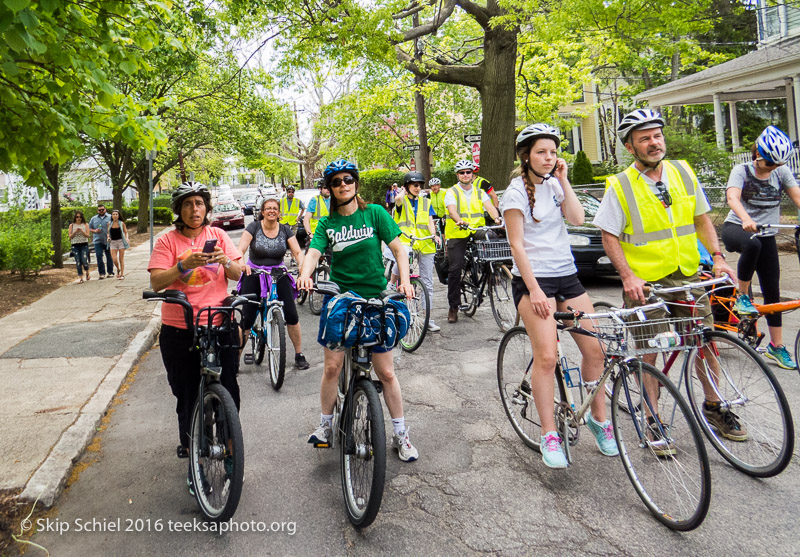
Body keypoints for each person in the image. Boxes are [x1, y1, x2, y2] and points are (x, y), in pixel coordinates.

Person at [593, 108, 743, 447]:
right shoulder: (620, 185)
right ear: (630, 147)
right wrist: (628, 276)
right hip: (645, 282)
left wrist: (718, 258)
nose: (653, 142)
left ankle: (714, 405)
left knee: (706, 341)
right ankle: (652, 417)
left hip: (687, 273)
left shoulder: (683, 172)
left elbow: (702, 219)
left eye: (657, 135)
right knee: (651, 349)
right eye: (644, 138)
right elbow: (608, 236)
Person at [501, 124, 617, 468]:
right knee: (548, 357)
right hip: (534, 280)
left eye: (552, 152)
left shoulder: (554, 184)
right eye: (541, 152)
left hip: (567, 275)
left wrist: (564, 180)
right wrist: (535, 289)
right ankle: (549, 433)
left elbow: (578, 218)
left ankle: (598, 419)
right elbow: (516, 244)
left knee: (595, 349)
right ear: (526, 156)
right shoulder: (515, 193)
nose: (549, 158)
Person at [298, 159, 419, 462]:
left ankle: (401, 434)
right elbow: (313, 252)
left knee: (387, 372)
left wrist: (404, 281)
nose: (343, 185)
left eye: (348, 180)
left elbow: (398, 249)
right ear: (330, 188)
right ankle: (325, 425)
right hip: (341, 299)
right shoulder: (328, 224)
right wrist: (305, 273)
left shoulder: (374, 213)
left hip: (375, 298)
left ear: (355, 183)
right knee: (331, 367)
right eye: (336, 181)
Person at [147, 182, 243, 492]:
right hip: (180, 329)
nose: (195, 210)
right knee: (187, 397)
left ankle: (231, 455)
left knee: (229, 391)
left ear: (207, 207)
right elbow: (157, 281)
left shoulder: (218, 236)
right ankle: (193, 461)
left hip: (218, 323)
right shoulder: (167, 241)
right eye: (188, 204)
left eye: (199, 203)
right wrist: (182, 266)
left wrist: (224, 261)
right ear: (179, 210)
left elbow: (238, 274)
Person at [722, 125, 800, 369]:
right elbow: (732, 197)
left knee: (772, 292)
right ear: (757, 154)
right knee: (752, 245)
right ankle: (742, 296)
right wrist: (745, 218)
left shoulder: (781, 171)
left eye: (778, 165)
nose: (774, 168)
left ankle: (776, 347)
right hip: (737, 228)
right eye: (770, 164)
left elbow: (797, 195)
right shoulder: (741, 170)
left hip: (766, 234)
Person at [238, 197, 310, 370]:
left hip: (278, 273)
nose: (271, 211)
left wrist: (302, 266)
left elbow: (297, 252)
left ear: (278, 212)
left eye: (274, 208)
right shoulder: (254, 227)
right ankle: (235, 357)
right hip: (254, 272)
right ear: (262, 212)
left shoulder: (285, 230)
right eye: (268, 208)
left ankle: (299, 354)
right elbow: (240, 250)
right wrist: (241, 262)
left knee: (292, 315)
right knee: (247, 318)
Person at [444, 159, 502, 323]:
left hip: (476, 229)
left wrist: (497, 218)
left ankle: (492, 272)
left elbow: (489, 207)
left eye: (468, 172)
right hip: (458, 231)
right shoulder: (452, 192)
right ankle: (453, 307)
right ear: (458, 175)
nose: (465, 175)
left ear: (472, 174)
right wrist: (459, 220)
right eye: (462, 172)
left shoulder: (479, 192)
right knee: (455, 269)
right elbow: (452, 210)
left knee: (493, 237)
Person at [387, 170, 442, 332]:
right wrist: (402, 193)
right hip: (406, 240)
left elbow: (431, 220)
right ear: (407, 186)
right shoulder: (401, 200)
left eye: (420, 185)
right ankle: (391, 283)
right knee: (402, 263)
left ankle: (428, 319)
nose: (418, 188)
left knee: (428, 284)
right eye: (414, 185)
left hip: (424, 243)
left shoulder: (425, 202)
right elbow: (397, 200)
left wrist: (434, 235)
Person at [89, 204, 113, 279]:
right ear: (97, 211)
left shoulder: (110, 217)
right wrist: (95, 230)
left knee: (109, 257)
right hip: (97, 240)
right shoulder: (94, 219)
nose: (101, 211)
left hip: (108, 240)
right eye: (99, 210)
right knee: (99, 256)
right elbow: (89, 228)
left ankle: (110, 272)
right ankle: (101, 273)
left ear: (105, 209)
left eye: (103, 209)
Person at [69, 211, 91, 283]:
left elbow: (88, 235)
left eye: (80, 217)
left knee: (84, 260)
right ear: (75, 218)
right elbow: (70, 236)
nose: (79, 218)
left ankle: (87, 271)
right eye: (77, 217)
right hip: (75, 245)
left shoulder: (85, 224)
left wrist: (82, 231)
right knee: (78, 261)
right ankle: (81, 277)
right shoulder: (72, 225)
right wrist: (75, 232)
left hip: (84, 244)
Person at [107, 209, 130, 280]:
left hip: (120, 241)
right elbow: (108, 233)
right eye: (113, 214)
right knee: (114, 259)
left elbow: (126, 232)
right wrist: (108, 237)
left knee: (121, 259)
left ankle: (122, 274)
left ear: (118, 215)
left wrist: (127, 238)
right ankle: (118, 268)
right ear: (112, 216)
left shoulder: (121, 223)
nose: (115, 216)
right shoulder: (109, 223)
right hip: (113, 242)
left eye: (116, 214)